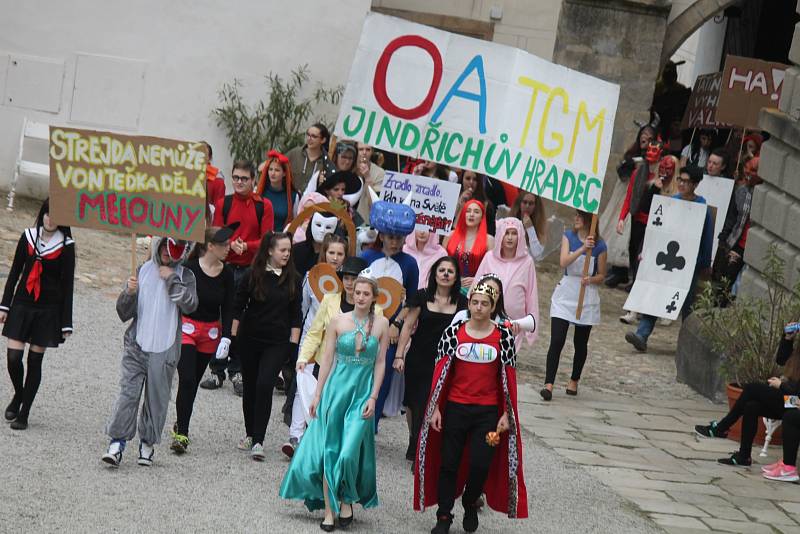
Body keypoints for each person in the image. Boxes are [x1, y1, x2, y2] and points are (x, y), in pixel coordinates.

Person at [415, 282, 528, 533]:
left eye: (484, 304)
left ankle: (469, 501)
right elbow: (440, 373)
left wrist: (506, 414)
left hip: (487, 414)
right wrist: (435, 408)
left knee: (481, 463)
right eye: (474, 302)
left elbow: (509, 379)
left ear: (493, 307)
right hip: (455, 408)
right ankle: (444, 516)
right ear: (469, 304)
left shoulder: (503, 337)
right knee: (448, 463)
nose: (478, 307)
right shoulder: (453, 333)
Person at [280, 272, 389, 531]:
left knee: (349, 452)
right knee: (331, 450)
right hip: (336, 391)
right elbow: (326, 360)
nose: (360, 297)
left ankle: (347, 497)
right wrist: (317, 394)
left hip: (362, 393)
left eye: (365, 293)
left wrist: (374, 396)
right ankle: (330, 509)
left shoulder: (383, 324)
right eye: (357, 292)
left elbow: (381, 362)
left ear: (374, 297)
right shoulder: (338, 321)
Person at [101, 237, 198, 467]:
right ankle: (117, 443)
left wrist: (171, 280)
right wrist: (129, 293)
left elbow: (190, 305)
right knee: (128, 394)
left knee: (156, 399)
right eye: (163, 245)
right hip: (137, 345)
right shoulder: (142, 270)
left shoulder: (186, 275)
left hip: (164, 350)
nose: (166, 251)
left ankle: (147, 443)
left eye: (172, 247)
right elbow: (123, 312)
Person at [283, 256, 373, 458]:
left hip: (354, 368)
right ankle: (298, 438)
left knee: (341, 408)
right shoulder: (330, 299)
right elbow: (315, 332)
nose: (350, 283)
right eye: (346, 278)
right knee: (310, 395)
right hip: (327, 361)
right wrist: (303, 357)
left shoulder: (375, 310)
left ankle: (331, 446)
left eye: (354, 278)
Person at [2, 198, 75, 430]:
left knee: (35, 361)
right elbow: (14, 272)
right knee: (13, 357)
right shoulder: (28, 236)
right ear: (42, 214)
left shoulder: (66, 245)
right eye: (47, 213)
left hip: (48, 308)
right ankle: (19, 394)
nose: (50, 218)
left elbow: (67, 286)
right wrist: (4, 306)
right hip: (23, 302)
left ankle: (24, 414)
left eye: (55, 215)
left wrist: (66, 323)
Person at [202, 160, 274, 395]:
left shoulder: (264, 205)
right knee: (221, 316)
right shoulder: (225, 203)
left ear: (253, 180)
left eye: (244, 178)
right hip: (226, 266)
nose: (239, 182)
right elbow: (216, 233)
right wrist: (233, 245)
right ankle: (216, 369)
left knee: (243, 321)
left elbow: (267, 239)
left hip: (251, 270)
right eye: (236, 178)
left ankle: (238, 371)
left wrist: (247, 246)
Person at [625, 166, 714, 353]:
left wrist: (704, 263)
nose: (681, 184)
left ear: (695, 184)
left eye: (686, 181)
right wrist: (646, 252)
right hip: (664, 262)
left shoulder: (702, 209)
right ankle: (642, 335)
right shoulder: (670, 203)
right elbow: (657, 232)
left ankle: (688, 345)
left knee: (686, 304)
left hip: (688, 264)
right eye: (680, 179)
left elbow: (706, 238)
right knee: (656, 296)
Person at [233, 232, 301, 461]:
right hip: (250, 339)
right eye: (282, 250)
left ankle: (259, 441)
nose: (286, 254)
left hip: (278, 342)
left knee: (264, 384)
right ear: (270, 251)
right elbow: (238, 305)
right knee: (251, 386)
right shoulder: (253, 275)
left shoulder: (293, 278)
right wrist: (230, 339)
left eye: (289, 250)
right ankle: (250, 434)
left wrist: (292, 346)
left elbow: (295, 315)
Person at [394, 256, 466, 464]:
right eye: (441, 270)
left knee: (432, 402)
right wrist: (399, 355)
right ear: (434, 274)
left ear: (455, 277)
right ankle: (414, 439)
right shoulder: (422, 297)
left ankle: (423, 448)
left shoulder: (462, 302)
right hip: (419, 358)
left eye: (450, 271)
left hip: (445, 360)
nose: (445, 274)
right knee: (413, 402)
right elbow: (408, 326)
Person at [695, 326, 800, 467]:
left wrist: (781, 385)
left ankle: (722, 427)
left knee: (752, 388)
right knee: (751, 406)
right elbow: (781, 360)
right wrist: (787, 339)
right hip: (790, 399)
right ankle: (743, 456)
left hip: (795, 402)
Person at [170, 226, 235, 454]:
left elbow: (228, 308)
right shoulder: (189, 268)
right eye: (224, 244)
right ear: (210, 246)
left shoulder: (227, 274)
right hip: (187, 328)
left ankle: (181, 421)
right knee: (186, 378)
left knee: (193, 382)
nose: (228, 248)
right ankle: (182, 433)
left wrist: (227, 337)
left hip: (210, 333)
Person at [360, 191, 419, 429]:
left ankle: (370, 425)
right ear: (381, 234)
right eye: (390, 236)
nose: (394, 241)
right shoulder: (366, 256)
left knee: (380, 380)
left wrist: (397, 325)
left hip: (391, 332)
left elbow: (413, 302)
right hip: (363, 324)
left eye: (399, 237)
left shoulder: (410, 264)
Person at [541, 211, 607, 401]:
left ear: (588, 220)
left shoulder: (600, 245)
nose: (575, 218)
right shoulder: (568, 237)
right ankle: (549, 383)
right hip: (566, 292)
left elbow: (602, 274)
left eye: (580, 216)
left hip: (586, 295)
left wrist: (591, 279)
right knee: (557, 339)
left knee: (580, 343)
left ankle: (574, 379)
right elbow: (563, 262)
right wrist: (582, 249)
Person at [617, 153, 678, 323]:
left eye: (669, 169)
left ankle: (654, 310)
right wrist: (654, 189)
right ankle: (634, 309)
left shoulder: (677, 192)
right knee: (639, 266)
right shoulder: (648, 181)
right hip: (645, 229)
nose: (665, 171)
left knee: (658, 274)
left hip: (664, 238)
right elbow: (641, 205)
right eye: (662, 167)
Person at [602, 124, 657, 289]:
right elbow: (623, 173)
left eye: (649, 135)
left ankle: (630, 274)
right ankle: (619, 271)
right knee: (618, 233)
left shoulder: (652, 163)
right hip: (623, 198)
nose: (645, 137)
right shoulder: (633, 156)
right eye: (643, 134)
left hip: (638, 203)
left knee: (631, 239)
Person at [473, 217, 540, 347]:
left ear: (520, 236)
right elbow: (476, 286)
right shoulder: (489, 258)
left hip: (514, 325)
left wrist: (531, 322)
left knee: (507, 359)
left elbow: (531, 294)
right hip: (488, 319)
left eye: (514, 233)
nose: (509, 237)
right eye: (506, 233)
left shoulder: (527, 262)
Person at [712, 156, 762, 306]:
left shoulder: (765, 196)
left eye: (753, 170)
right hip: (737, 244)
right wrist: (723, 239)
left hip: (755, 247)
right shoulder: (740, 191)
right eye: (746, 168)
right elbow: (732, 218)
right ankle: (717, 312)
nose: (747, 172)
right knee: (725, 281)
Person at [616, 140, 664, 283]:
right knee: (633, 248)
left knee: (645, 252)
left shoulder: (663, 174)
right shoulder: (638, 173)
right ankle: (634, 278)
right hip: (637, 217)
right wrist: (621, 218)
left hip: (654, 221)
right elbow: (629, 197)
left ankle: (640, 280)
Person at [444, 199, 494, 291]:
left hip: (474, 289)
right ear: (463, 214)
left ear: (482, 216)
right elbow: (441, 261)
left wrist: (478, 279)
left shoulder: (489, 240)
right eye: (468, 211)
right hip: (449, 285)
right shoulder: (450, 235)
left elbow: (492, 269)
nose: (471, 214)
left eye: (476, 212)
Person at [256, 149, 300, 230]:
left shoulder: (293, 196)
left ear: (284, 173)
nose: (272, 173)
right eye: (270, 169)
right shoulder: (259, 192)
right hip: (261, 238)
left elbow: (295, 223)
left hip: (281, 238)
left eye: (277, 170)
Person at [287, 123, 336, 193]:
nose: (309, 139)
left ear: (323, 140)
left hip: (312, 202)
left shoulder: (326, 162)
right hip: (290, 199)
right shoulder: (294, 153)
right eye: (308, 135)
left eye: (314, 136)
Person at [292, 211, 340, 278]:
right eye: (318, 225)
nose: (322, 230)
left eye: (328, 227)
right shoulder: (296, 250)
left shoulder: (333, 255)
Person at [508, 192, 547, 262]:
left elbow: (537, 254)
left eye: (531, 203)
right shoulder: (509, 221)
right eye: (524, 202)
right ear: (519, 204)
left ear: (535, 206)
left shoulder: (539, 226)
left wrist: (530, 228)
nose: (527, 206)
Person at [455, 171, 496, 236]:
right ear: (462, 180)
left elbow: (490, 232)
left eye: (475, 179)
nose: (471, 182)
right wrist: (460, 205)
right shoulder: (453, 199)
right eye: (468, 178)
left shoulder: (486, 205)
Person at [355, 142, 385, 223]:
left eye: (368, 150)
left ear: (372, 152)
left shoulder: (380, 173)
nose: (364, 153)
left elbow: (375, 205)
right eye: (360, 149)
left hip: (365, 223)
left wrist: (368, 177)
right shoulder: (348, 166)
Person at [203, 142, 226, 214]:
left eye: (203, 154)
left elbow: (218, 211)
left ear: (209, 158)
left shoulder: (218, 181)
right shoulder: (184, 177)